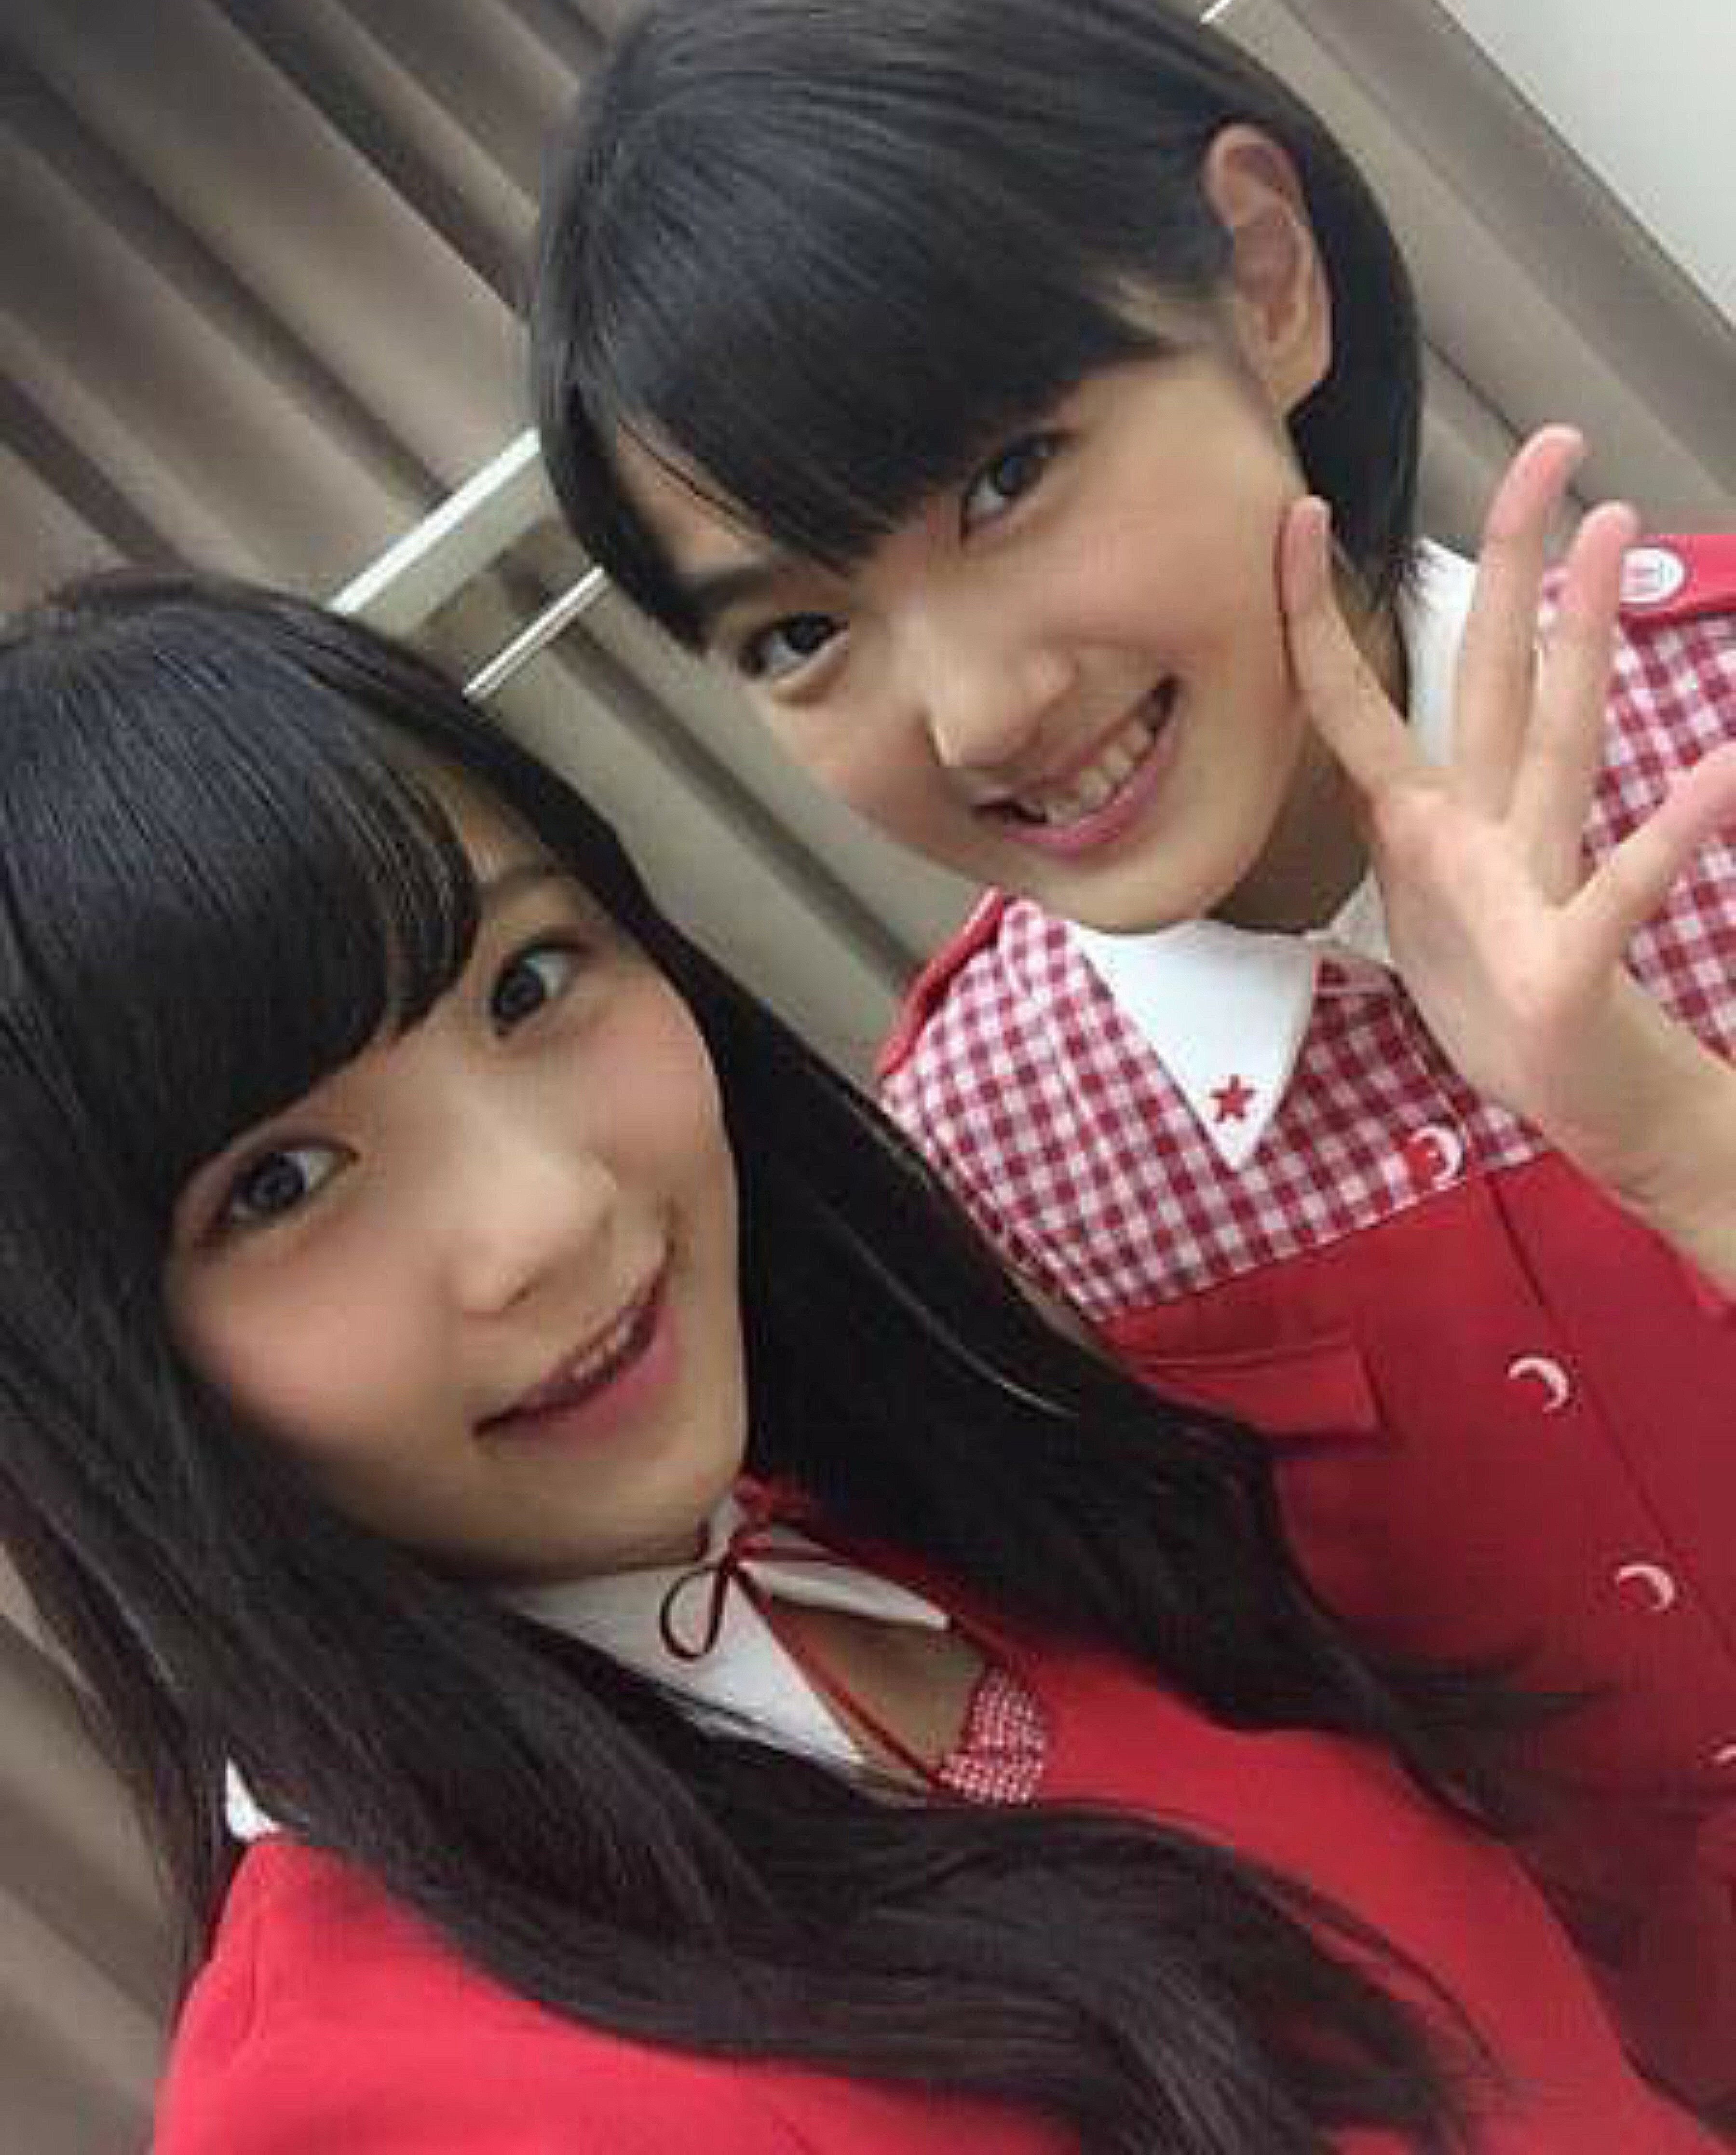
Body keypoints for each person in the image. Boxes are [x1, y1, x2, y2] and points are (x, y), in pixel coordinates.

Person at [0, 573, 1717, 2153]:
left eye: (529, 984)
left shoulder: (934, 1507)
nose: (547, 1216)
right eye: (281, 1186)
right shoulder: (385, 2103)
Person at [528, 0, 1736, 2108]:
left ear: (1264, 278)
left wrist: (1672, 1139)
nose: (979, 709)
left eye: (1009, 476)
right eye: (801, 635)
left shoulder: (1725, 717)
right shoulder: (979, 1174)